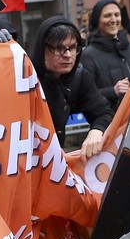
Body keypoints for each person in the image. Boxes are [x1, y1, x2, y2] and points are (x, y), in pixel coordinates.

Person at [30, 16, 114, 160]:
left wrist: (97, 130)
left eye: (73, 48)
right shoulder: (25, 79)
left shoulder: (79, 77)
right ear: (43, 49)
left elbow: (103, 111)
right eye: (60, 49)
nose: (68, 55)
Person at [79, 0, 130, 110]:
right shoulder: (88, 55)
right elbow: (84, 97)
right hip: (110, 122)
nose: (113, 20)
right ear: (97, 20)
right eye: (107, 16)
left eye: (117, 15)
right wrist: (113, 91)